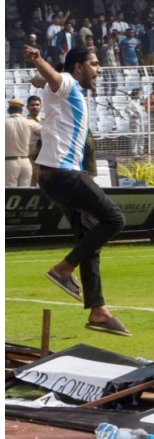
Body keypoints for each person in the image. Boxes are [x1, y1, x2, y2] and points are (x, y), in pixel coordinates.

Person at [26, 45, 129, 336]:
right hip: (64, 174)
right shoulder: (68, 83)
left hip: (53, 177)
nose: (100, 69)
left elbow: (50, 82)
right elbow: (57, 78)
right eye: (95, 64)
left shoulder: (65, 92)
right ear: (79, 67)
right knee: (114, 219)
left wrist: (42, 79)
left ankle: (98, 311)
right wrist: (38, 61)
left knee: (89, 237)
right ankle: (63, 269)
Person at [5, 99, 40, 186]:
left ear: (8, 110)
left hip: (9, 161)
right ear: (21, 110)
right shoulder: (29, 122)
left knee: (10, 190)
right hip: (26, 161)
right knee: (25, 190)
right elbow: (46, 133)